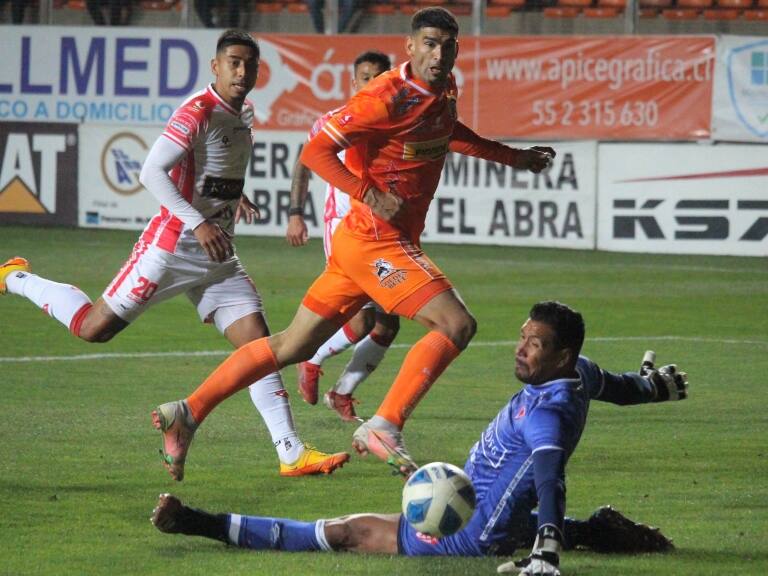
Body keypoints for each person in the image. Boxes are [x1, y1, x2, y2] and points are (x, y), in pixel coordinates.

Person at [149, 7, 556, 482]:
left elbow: (447, 133)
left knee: (291, 344)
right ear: (410, 46)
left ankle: (188, 411)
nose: (438, 54)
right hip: (374, 241)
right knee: (456, 324)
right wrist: (368, 193)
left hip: (358, 247)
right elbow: (315, 151)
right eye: (429, 44)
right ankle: (385, 425)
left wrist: (513, 157)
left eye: (448, 46)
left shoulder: (444, 88)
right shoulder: (384, 98)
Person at [0, 30, 348, 481]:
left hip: (218, 256)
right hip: (171, 249)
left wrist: (232, 197)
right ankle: (15, 277)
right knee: (93, 328)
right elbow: (151, 172)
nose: (242, 71)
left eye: (250, 64)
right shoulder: (197, 110)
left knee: (259, 348)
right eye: (234, 62)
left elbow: (213, 169)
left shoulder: (243, 112)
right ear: (216, 66)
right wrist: (198, 222)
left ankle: (291, 452)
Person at [150, 300, 687, 576]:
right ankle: (591, 530)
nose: (520, 349)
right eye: (522, 337)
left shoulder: (548, 415)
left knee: (346, 532)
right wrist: (653, 388)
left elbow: (550, 477)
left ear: (562, 356)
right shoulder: (579, 372)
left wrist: (547, 543)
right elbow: (615, 386)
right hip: (479, 499)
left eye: (535, 344)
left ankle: (196, 522)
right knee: (512, 518)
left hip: (468, 531)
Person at [286, 49, 399, 422]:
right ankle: (312, 358)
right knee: (364, 320)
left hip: (382, 232)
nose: (373, 84)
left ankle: (341, 392)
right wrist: (296, 214)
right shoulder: (334, 122)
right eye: (366, 78)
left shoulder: (396, 124)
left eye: (380, 78)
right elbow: (304, 166)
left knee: (387, 324)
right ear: (353, 83)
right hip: (345, 228)